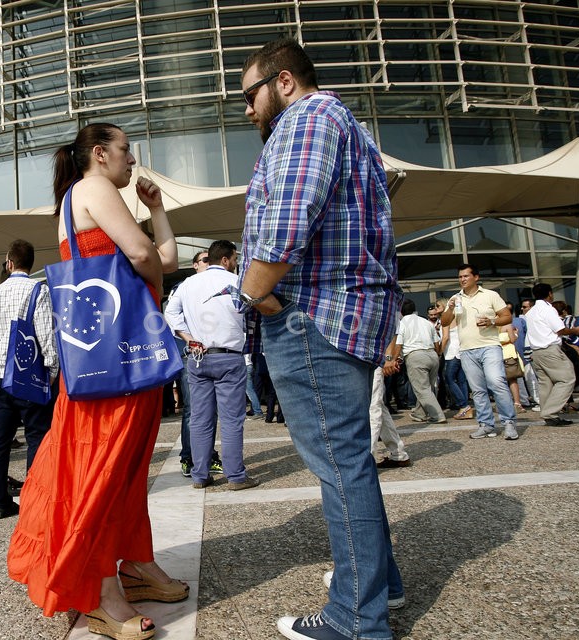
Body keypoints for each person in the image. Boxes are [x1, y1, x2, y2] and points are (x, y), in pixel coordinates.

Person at [237, 39, 403, 640]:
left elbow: (285, 221)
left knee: (340, 464)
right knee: (352, 461)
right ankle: (381, 586)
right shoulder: (344, 122)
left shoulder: (307, 118)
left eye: (248, 94)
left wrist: (250, 296)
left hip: (312, 317)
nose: (246, 110)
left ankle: (357, 618)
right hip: (336, 315)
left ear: (283, 82)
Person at [7, 123, 183, 640]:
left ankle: (133, 564)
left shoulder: (76, 198)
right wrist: (148, 300)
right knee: (106, 472)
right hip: (119, 362)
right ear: (100, 154)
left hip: (110, 359)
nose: (132, 159)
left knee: (121, 471)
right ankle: (104, 592)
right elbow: (150, 258)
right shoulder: (93, 187)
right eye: (127, 149)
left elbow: (163, 258)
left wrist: (155, 209)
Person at [165, 239, 259, 491]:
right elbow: (251, 312)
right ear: (226, 260)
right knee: (231, 419)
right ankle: (236, 476)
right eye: (235, 259)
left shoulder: (187, 283)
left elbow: (170, 314)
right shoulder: (236, 282)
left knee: (200, 419)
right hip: (229, 356)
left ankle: (200, 474)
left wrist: (188, 337)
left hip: (197, 357)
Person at [0, 239, 58, 519]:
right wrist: (52, 369)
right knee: (37, 434)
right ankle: (34, 499)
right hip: (28, 375)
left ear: (9, 262)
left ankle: (0, 501)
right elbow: (46, 332)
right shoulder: (39, 290)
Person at [439, 264, 518, 440]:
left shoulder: (490, 295)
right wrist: (450, 308)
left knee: (496, 382)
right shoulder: (456, 298)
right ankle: (486, 424)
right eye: (460, 277)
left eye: (466, 276)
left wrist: (491, 321)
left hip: (490, 346)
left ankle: (508, 422)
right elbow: (444, 322)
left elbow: (507, 316)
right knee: (477, 390)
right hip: (466, 349)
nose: (462, 279)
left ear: (476, 277)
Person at [170, 250, 223, 477]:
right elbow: (172, 316)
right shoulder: (184, 287)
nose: (207, 264)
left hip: (216, 354)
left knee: (212, 411)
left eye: (211, 260)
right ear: (194, 265)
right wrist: (191, 340)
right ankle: (189, 458)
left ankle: (208, 456)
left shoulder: (215, 287)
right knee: (193, 410)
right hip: (191, 354)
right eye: (204, 260)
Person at [523, 283, 579, 426]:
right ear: (550, 293)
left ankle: (548, 414)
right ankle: (550, 411)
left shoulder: (531, 312)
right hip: (550, 350)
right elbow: (560, 329)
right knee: (567, 379)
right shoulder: (548, 310)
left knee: (545, 383)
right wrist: (576, 331)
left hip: (537, 352)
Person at [386, 299, 445, 424]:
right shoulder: (426, 322)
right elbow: (437, 343)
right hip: (432, 355)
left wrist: (394, 359)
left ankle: (438, 415)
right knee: (429, 387)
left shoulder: (402, 324)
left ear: (401, 311)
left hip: (415, 356)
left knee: (422, 389)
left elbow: (399, 344)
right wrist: (438, 354)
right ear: (414, 310)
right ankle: (420, 413)